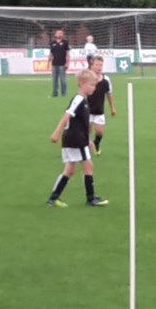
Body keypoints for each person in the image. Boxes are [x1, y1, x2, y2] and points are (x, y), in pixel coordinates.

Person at [46, 69, 108, 207]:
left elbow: (81, 124)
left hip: (76, 139)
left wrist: (88, 140)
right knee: (88, 166)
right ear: (82, 83)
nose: (94, 88)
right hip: (75, 140)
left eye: (94, 85)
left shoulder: (83, 100)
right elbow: (67, 115)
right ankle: (90, 198)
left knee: (70, 170)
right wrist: (56, 133)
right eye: (91, 85)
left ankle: (53, 198)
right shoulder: (78, 99)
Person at [87, 56, 115, 155]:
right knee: (87, 131)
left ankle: (96, 143)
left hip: (99, 110)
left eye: (101, 65)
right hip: (87, 110)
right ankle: (86, 149)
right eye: (97, 65)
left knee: (99, 132)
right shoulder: (87, 77)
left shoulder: (106, 80)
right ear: (92, 66)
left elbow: (109, 94)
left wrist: (112, 108)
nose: (99, 67)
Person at [49, 29, 69, 98]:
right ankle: (55, 94)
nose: (59, 34)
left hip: (62, 64)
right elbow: (51, 53)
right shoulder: (52, 43)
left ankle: (64, 94)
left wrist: (67, 63)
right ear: (55, 34)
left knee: (63, 80)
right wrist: (49, 58)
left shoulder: (65, 42)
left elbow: (67, 54)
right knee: (54, 80)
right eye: (58, 33)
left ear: (62, 34)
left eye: (61, 33)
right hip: (54, 64)